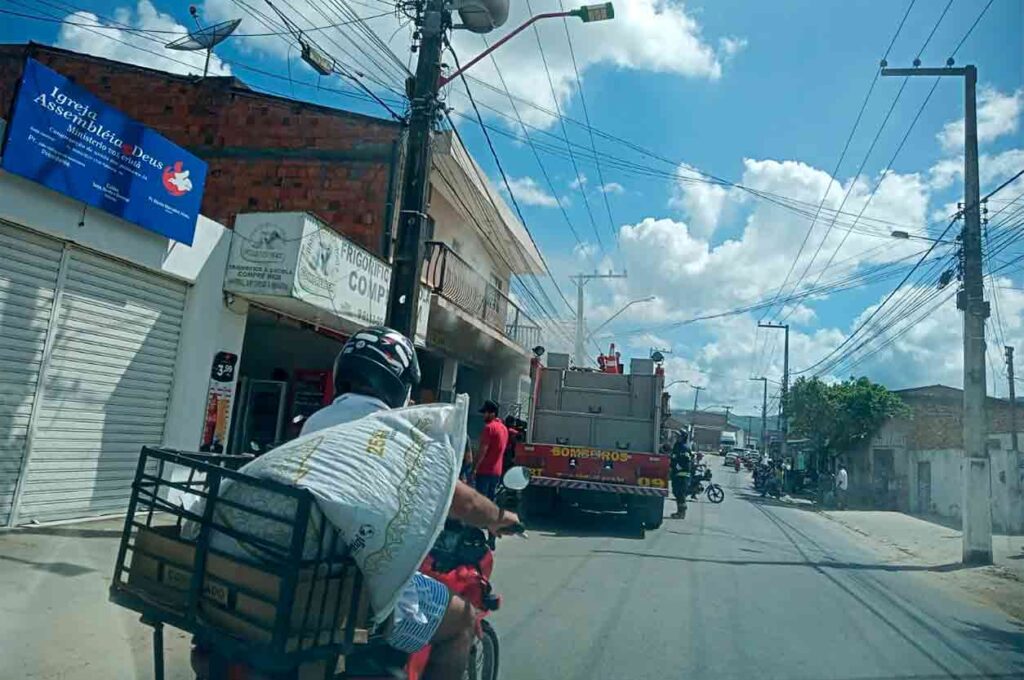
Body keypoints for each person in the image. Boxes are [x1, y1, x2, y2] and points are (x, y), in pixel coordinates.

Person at [300, 326, 521, 680]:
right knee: (463, 620)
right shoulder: (395, 431)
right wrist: (497, 516)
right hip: (357, 586)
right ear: (399, 383)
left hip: (307, 568)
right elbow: (458, 499)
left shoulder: (316, 421)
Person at [472, 400, 509, 501]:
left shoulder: (489, 428)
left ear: (492, 413)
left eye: (485, 413)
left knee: (481, 501)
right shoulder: (504, 429)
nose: (483, 415)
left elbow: (482, 451)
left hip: (484, 471)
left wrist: (474, 468)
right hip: (497, 472)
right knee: (491, 501)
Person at [670, 430, 693, 519]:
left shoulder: (684, 448)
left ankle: (682, 513)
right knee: (676, 492)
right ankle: (678, 511)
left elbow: (686, 462)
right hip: (676, 475)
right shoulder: (677, 446)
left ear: (683, 437)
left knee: (681, 494)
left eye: (679, 436)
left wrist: (677, 467)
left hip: (683, 475)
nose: (677, 437)